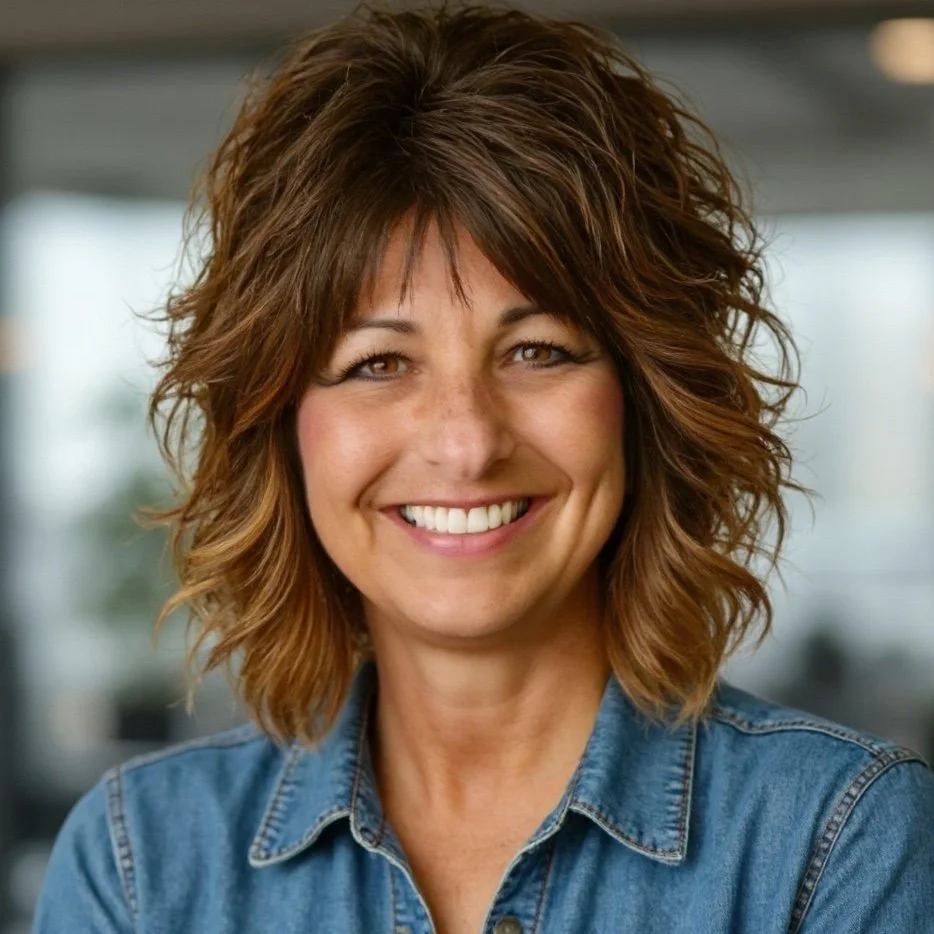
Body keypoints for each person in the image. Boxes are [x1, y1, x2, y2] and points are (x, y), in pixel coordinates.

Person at [33, 4, 934, 933]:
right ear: (280, 427)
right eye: (378, 363)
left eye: (538, 350)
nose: (465, 443)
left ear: (644, 398)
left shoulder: (834, 842)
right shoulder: (139, 864)